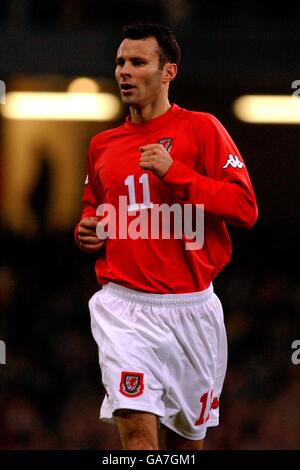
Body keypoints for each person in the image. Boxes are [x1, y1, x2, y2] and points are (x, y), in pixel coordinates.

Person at [75, 22, 258, 450]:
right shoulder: (103, 144)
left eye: (138, 62)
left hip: (191, 309)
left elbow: (245, 208)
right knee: (137, 431)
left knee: (185, 445)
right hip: (124, 308)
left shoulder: (203, 129)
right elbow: (93, 205)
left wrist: (175, 173)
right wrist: (87, 230)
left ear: (167, 72)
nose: (124, 71)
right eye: (120, 62)